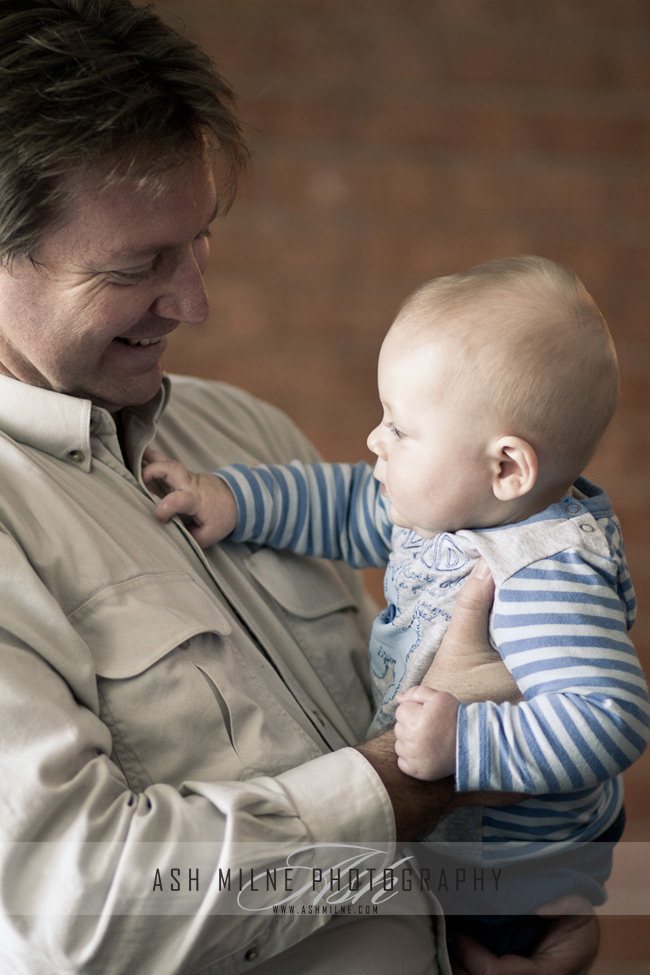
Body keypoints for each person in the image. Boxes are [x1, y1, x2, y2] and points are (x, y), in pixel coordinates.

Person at [0, 1, 601, 971]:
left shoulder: (241, 433)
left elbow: (374, 692)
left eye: (198, 239)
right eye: (136, 264)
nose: (194, 301)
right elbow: (74, 906)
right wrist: (417, 777)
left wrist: (486, 928)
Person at [144, 256, 650, 956]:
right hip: (451, 857)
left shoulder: (545, 573)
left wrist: (465, 747)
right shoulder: (455, 506)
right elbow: (349, 503)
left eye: (401, 428)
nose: (375, 440)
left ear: (506, 467)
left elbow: (610, 718)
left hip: (507, 877)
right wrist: (230, 500)